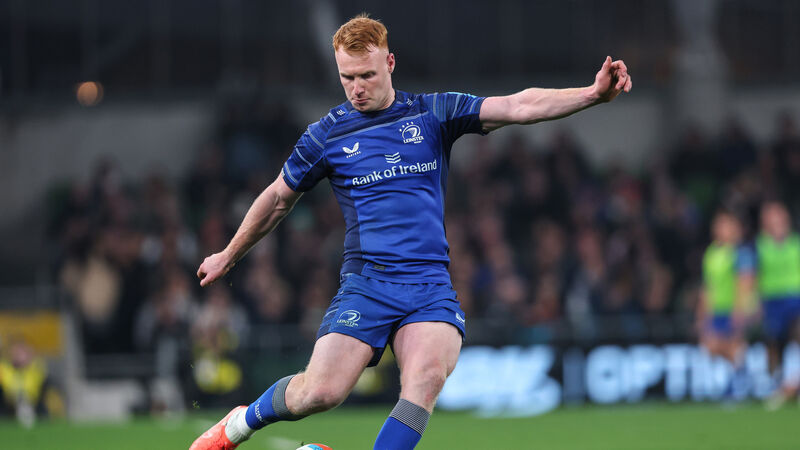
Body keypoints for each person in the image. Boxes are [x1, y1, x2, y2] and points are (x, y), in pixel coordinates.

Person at [190, 13, 631, 450]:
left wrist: (591, 94)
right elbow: (277, 198)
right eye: (347, 77)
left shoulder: (433, 112)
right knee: (320, 393)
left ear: (390, 63)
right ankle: (238, 425)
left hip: (428, 286)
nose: (357, 87)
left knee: (426, 378)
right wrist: (228, 254)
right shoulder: (327, 135)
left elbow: (517, 106)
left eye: (366, 75)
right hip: (367, 284)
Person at [696, 210, 756, 394]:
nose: (721, 229)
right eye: (719, 225)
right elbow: (708, 286)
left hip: (734, 308)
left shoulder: (741, 252)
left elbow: (745, 282)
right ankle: (741, 373)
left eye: (726, 225)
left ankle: (737, 384)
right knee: (710, 347)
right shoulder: (711, 253)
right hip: (717, 309)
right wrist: (702, 313)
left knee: (733, 345)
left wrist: (739, 310)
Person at [755, 201, 800, 409]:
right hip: (771, 300)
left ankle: (792, 385)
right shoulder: (759, 247)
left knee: (797, 334)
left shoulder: (795, 244)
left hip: (795, 297)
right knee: (774, 344)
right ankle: (777, 385)